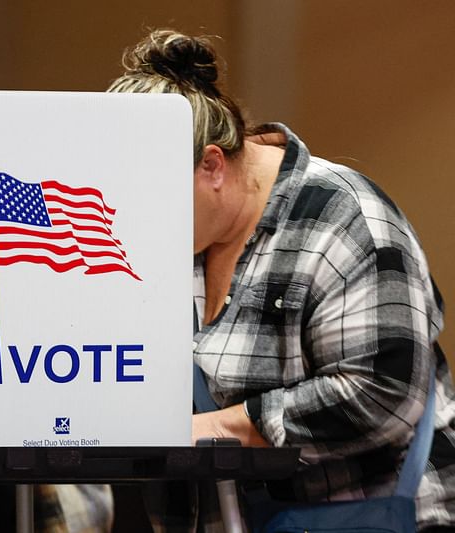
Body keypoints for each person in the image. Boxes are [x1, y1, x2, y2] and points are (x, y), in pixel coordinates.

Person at [107, 29, 455, 531]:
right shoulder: (172, 242)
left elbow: (382, 392)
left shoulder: (344, 216)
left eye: (152, 198)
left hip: (375, 511)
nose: (139, 220)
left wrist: (214, 428)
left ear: (212, 165)